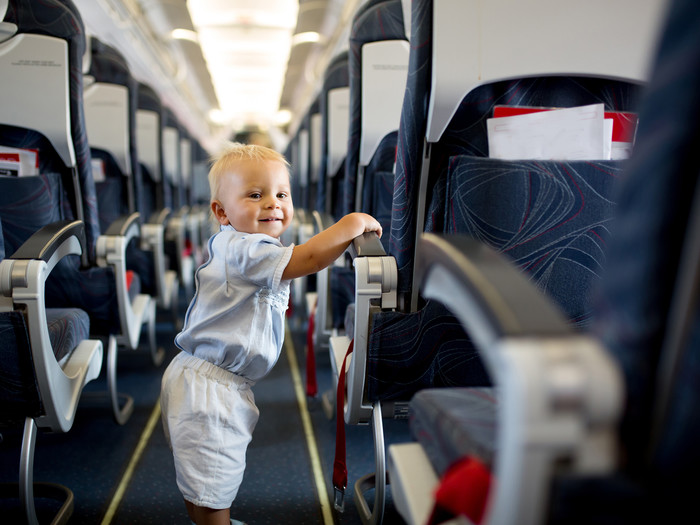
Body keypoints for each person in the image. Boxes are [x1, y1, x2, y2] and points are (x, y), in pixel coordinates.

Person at [160, 142, 382, 525]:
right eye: (255, 195)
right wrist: (351, 224)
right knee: (212, 487)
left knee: (204, 484)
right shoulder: (247, 249)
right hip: (211, 391)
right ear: (221, 211)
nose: (272, 204)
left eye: (281, 194)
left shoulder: (240, 244)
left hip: (203, 379)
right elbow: (310, 259)